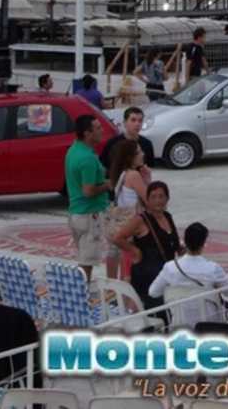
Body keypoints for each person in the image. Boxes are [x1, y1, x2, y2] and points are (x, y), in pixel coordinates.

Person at [148, 222, 228, 327]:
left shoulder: (170, 267)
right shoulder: (212, 268)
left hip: (180, 326)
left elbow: (153, 292)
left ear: (184, 242)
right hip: (210, 326)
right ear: (204, 243)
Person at [113, 181, 179, 312]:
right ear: (147, 200)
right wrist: (135, 251)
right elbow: (118, 238)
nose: (158, 201)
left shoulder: (168, 216)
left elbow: (172, 243)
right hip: (146, 276)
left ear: (167, 198)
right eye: (153, 197)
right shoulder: (141, 220)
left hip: (165, 276)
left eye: (161, 196)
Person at [65, 115, 111, 280]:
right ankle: (81, 292)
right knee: (87, 261)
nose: (102, 130)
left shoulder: (74, 150)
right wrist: (107, 185)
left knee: (84, 258)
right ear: (87, 133)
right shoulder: (87, 158)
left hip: (76, 213)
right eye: (98, 128)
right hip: (89, 214)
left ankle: (81, 290)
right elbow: (88, 191)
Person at [105, 139, 150, 280]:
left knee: (117, 257)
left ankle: (112, 290)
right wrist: (148, 180)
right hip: (132, 229)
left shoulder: (121, 174)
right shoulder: (134, 175)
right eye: (139, 152)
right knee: (130, 268)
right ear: (131, 157)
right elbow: (150, 202)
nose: (143, 154)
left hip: (118, 226)